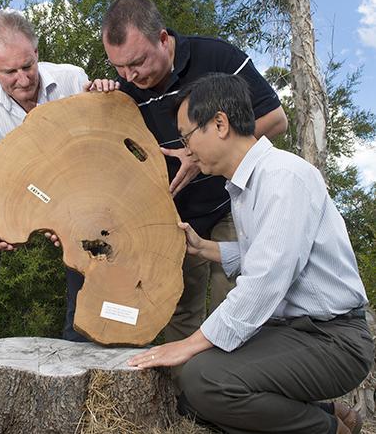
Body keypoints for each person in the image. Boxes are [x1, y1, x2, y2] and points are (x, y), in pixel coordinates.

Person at [129, 73, 374, 434]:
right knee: (191, 394)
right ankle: (329, 413)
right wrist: (205, 247)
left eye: (187, 136)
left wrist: (188, 344)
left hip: (334, 340)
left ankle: (326, 429)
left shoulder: (282, 178)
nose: (186, 149)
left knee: (203, 380)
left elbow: (265, 281)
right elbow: (264, 254)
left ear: (220, 123)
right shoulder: (246, 185)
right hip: (295, 333)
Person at [101, 0, 288, 345]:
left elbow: (276, 120)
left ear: (162, 38)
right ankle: (184, 397)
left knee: (233, 303)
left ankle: (227, 392)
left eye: (137, 62)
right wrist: (101, 95)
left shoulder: (217, 58)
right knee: (178, 309)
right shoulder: (126, 89)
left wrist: (198, 156)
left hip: (232, 205)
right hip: (174, 218)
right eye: (118, 67)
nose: (130, 75)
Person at [0, 10, 111, 341]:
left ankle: (81, 332)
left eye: (28, 66)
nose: (24, 79)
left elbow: (100, 149)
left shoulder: (72, 80)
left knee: (91, 218)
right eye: (10, 72)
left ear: (37, 53)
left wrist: (105, 99)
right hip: (22, 193)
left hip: (77, 193)